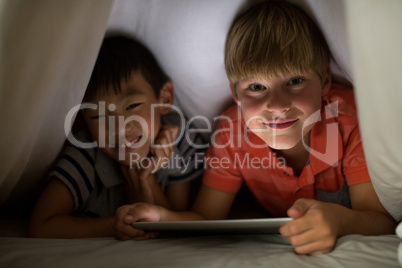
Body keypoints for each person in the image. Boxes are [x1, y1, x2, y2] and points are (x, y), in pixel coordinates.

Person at [111, 1, 397, 254]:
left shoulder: (349, 122)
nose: (277, 105)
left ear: (324, 81)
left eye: (295, 81)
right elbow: (208, 218)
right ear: (236, 95)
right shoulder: (231, 135)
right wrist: (159, 217)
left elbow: (380, 219)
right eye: (257, 87)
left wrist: (338, 220)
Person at [28, 36, 204, 238]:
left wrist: (146, 181)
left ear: (164, 99)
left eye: (132, 106)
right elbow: (40, 225)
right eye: (99, 116)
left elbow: (178, 223)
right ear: (82, 121)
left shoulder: (178, 137)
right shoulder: (87, 153)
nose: (120, 128)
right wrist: (113, 225)